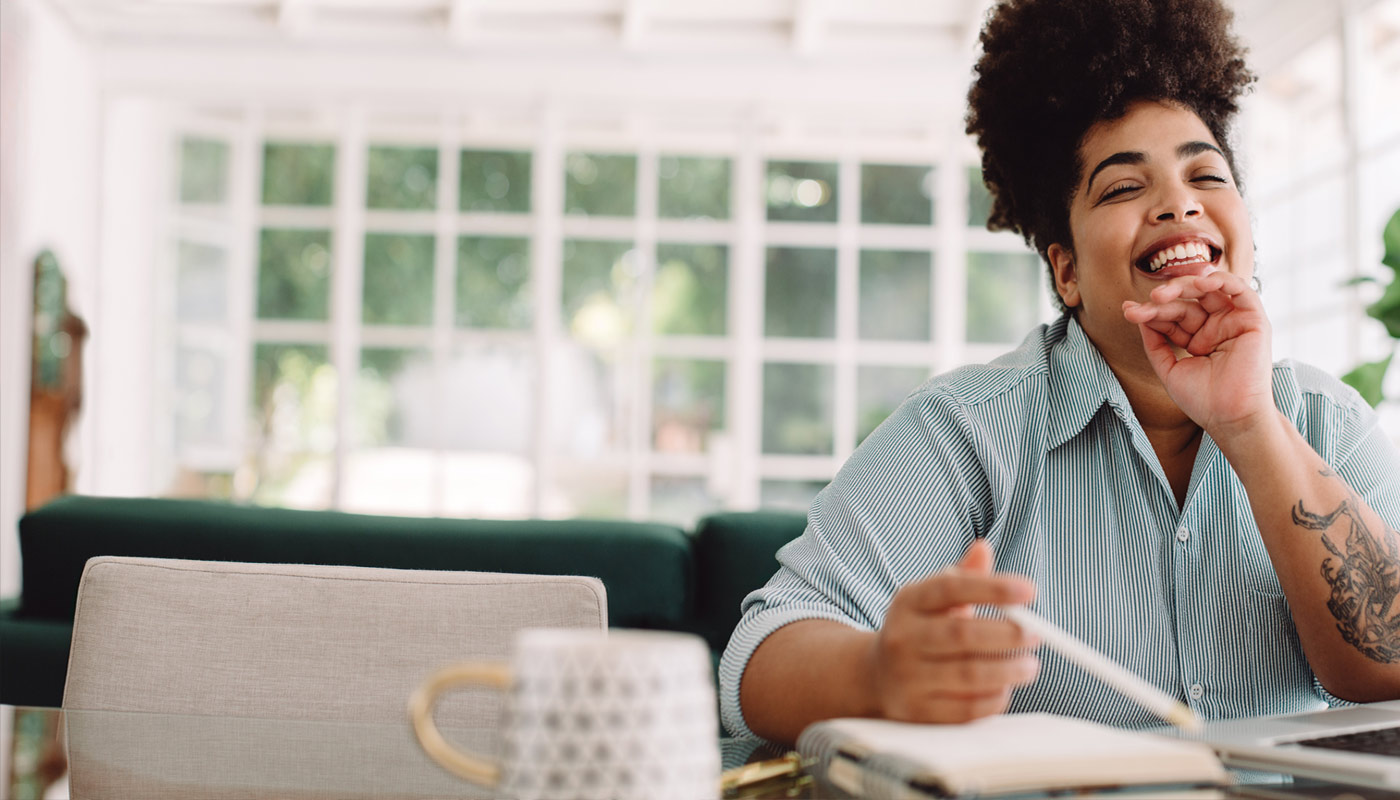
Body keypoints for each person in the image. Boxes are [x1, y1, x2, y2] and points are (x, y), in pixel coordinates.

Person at [720, 0, 1400, 745]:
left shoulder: (1327, 421)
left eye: (1206, 174)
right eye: (1123, 187)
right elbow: (758, 658)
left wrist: (1250, 422)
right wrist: (879, 673)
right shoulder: (967, 433)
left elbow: (1388, 665)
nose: (1179, 202)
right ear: (1067, 270)